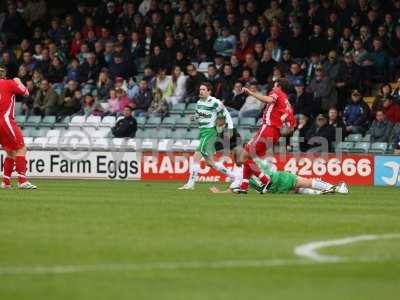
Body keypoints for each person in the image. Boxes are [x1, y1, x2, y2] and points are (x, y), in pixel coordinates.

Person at [235, 78, 292, 194]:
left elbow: (268, 99)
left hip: (268, 129)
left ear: (279, 86)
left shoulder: (277, 93)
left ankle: (265, 180)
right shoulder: (286, 101)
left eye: (274, 85)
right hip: (274, 132)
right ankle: (244, 186)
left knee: (244, 157)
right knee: (248, 155)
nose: (272, 87)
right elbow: (291, 124)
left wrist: (251, 93)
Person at [179, 82, 237, 190]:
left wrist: (230, 129)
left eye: (203, 89)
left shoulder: (214, 102)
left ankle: (190, 184)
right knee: (210, 163)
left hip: (210, 132)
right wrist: (193, 118)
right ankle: (234, 176)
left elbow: (226, 114)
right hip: (203, 132)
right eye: (200, 89)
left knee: (196, 156)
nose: (201, 91)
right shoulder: (199, 102)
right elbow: (198, 116)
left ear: (209, 91)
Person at [210, 159, 349, 195]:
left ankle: (321, 193)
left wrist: (219, 193)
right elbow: (272, 169)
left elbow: (234, 190)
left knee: (297, 189)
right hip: (278, 179)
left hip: (271, 190)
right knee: (304, 182)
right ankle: (333, 188)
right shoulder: (254, 162)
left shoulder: (238, 175)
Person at [0, 66, 36, 189]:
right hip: (5, 120)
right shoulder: (9, 83)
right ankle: (22, 181)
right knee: (21, 149)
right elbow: (26, 92)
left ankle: (6, 182)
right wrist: (18, 81)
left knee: (10, 152)